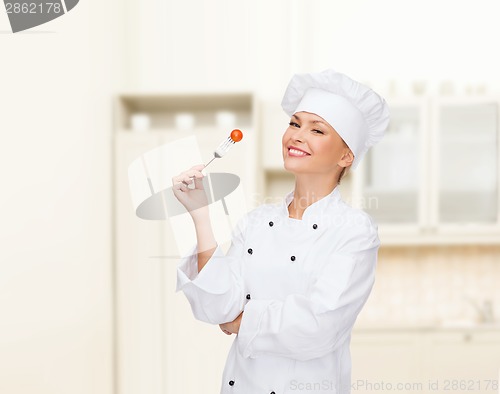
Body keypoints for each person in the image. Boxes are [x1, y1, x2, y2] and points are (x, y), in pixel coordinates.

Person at [172, 68, 390, 394]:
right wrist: (200, 214)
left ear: (347, 155)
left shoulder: (355, 232)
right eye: (294, 123)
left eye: (317, 130)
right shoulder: (256, 222)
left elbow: (318, 325)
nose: (297, 136)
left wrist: (241, 322)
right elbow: (215, 307)